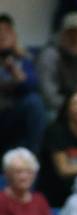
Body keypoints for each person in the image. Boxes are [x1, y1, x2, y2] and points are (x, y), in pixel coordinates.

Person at [37, 91, 77, 208]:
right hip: (56, 196)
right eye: (76, 103)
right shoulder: (55, 131)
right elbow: (64, 169)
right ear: (67, 109)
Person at [0, 14, 46, 156]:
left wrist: (14, 69)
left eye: (6, 31)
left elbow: (33, 85)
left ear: (14, 35)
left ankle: (30, 160)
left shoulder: (25, 58)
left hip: (14, 114)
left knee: (34, 102)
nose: (2, 35)